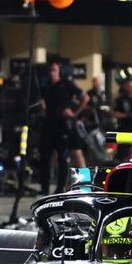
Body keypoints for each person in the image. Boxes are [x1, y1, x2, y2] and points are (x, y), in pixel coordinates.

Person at [36, 60, 88, 191]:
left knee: (72, 154)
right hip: (49, 124)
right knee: (45, 156)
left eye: (54, 70)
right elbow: (42, 103)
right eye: (50, 70)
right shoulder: (46, 86)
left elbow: (85, 97)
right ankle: (45, 188)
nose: (51, 73)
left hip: (65, 125)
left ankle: (83, 185)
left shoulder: (66, 84)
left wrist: (75, 113)